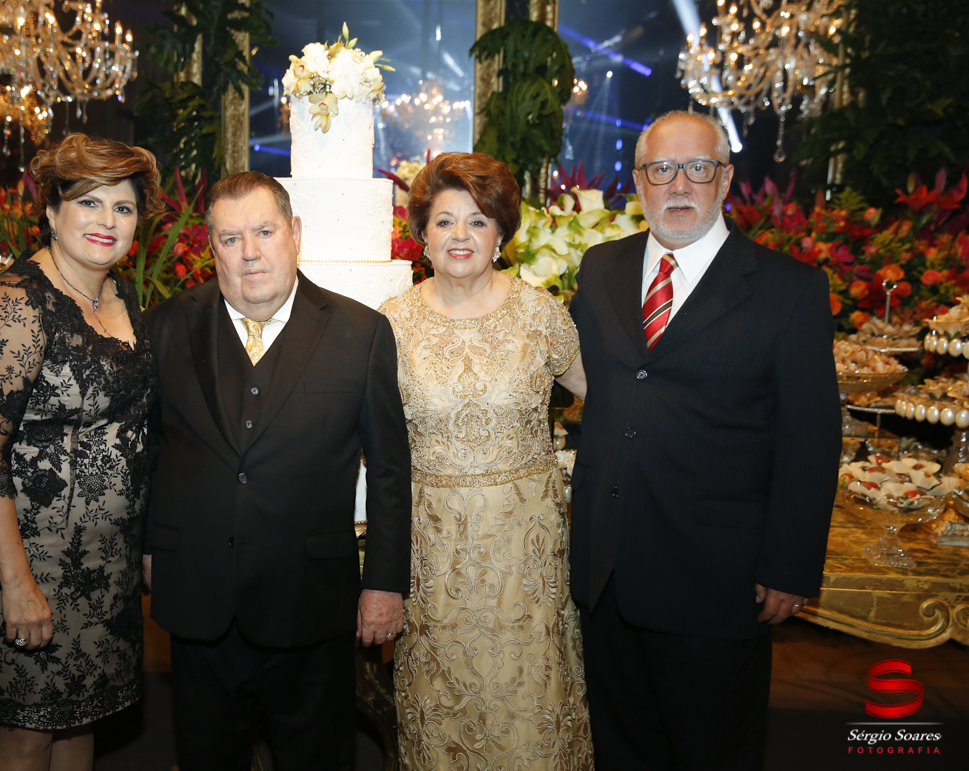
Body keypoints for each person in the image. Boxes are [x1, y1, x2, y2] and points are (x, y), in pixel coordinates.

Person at [568, 111, 840, 770]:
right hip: (607, 575)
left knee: (712, 751)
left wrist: (790, 566)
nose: (679, 184)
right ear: (639, 181)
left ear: (725, 179)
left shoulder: (788, 289)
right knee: (620, 749)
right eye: (661, 170)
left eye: (697, 168)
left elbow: (811, 438)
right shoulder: (601, 267)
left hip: (716, 583)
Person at [142, 171, 412, 771]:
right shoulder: (165, 326)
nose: (250, 252)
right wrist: (152, 546)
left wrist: (386, 582)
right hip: (201, 597)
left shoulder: (360, 332)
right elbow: (151, 450)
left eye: (264, 231)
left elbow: (391, 467)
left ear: (293, 233)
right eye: (231, 238)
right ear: (212, 247)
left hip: (312, 604)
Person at [0, 134, 162, 770]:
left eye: (122, 209)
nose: (106, 222)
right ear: (51, 211)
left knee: (81, 717)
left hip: (102, 561)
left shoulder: (122, 298)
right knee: (28, 731)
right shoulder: (14, 305)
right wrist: (17, 584)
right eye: (88, 203)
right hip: (26, 559)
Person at [379, 152, 593, 770]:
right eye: (444, 222)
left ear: (501, 231)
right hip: (434, 552)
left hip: (524, 558)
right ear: (422, 236)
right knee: (442, 705)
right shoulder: (391, 324)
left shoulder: (539, 313)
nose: (460, 237)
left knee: (527, 706)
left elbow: (601, 400)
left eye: (477, 221)